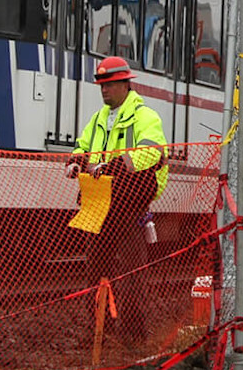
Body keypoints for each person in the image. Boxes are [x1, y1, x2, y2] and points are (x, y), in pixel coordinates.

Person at [65, 55, 170, 343]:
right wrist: (75, 160)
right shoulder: (98, 118)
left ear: (125, 85)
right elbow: (83, 145)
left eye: (109, 84)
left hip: (128, 206)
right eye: (101, 84)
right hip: (98, 204)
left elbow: (152, 153)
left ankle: (133, 336)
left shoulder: (145, 117)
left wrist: (113, 166)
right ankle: (100, 330)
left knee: (132, 274)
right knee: (96, 272)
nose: (104, 90)